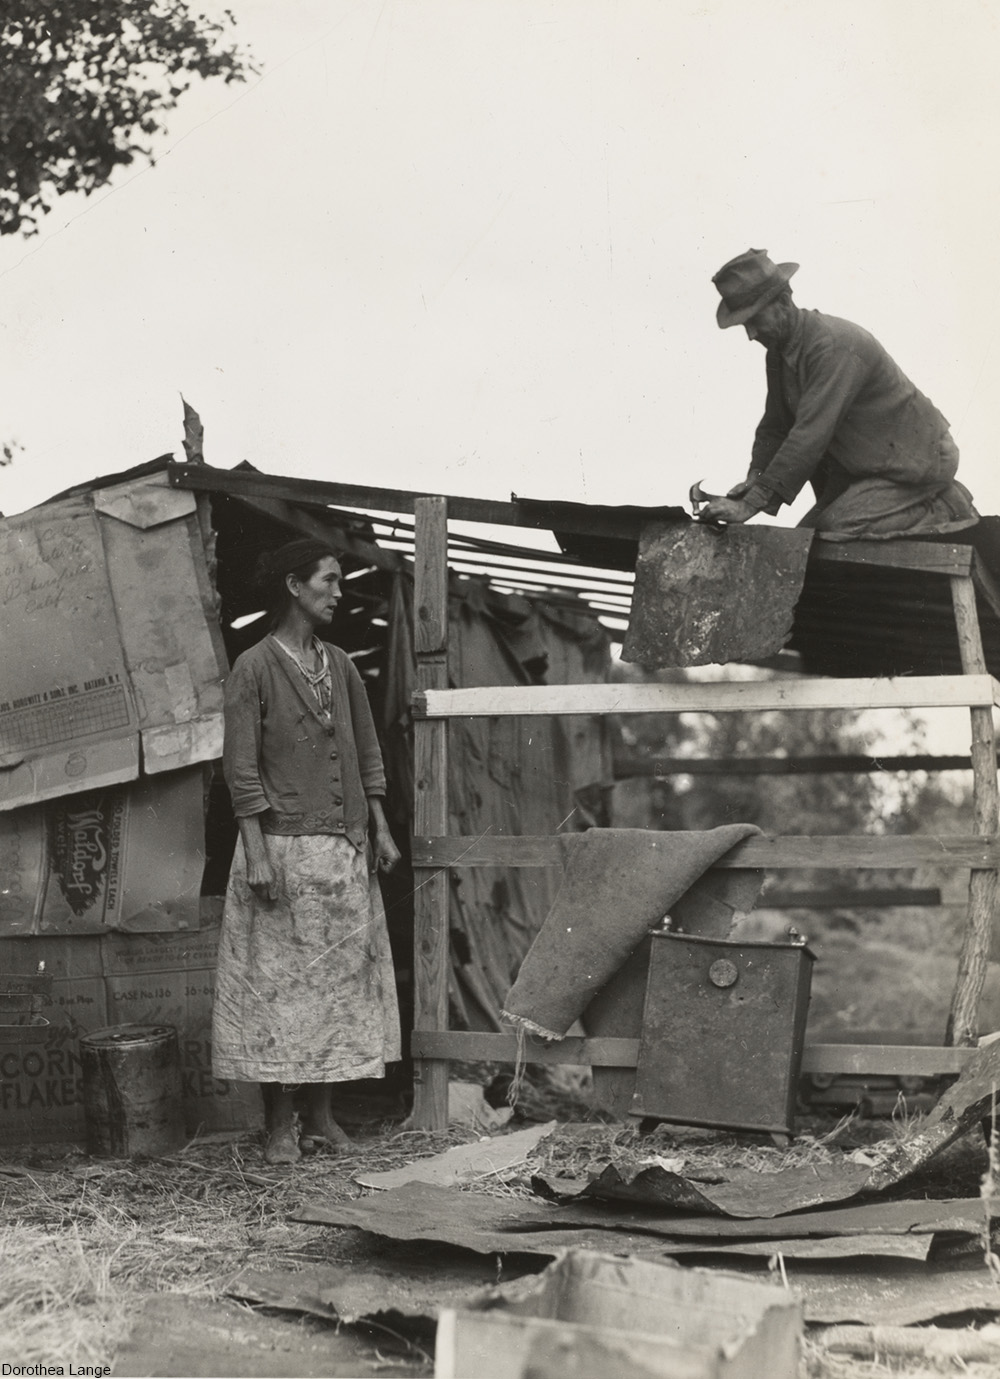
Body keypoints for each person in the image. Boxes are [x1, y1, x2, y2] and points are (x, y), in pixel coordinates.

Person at [211, 538, 402, 1165]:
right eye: (329, 580)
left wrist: (379, 825)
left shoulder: (341, 665)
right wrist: (257, 853)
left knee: (333, 990)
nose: (339, 592)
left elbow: (367, 751)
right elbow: (241, 771)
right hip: (279, 853)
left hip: (341, 851)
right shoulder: (254, 667)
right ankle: (279, 1125)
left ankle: (321, 1118)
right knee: (276, 990)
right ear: (295, 587)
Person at [701, 248, 979, 539]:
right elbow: (774, 427)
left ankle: (944, 504)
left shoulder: (833, 346)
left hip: (917, 463)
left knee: (833, 530)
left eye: (755, 320)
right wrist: (753, 479)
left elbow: (809, 435)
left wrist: (749, 506)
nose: (751, 334)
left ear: (783, 302)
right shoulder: (778, 353)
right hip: (867, 468)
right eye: (746, 325)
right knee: (805, 539)